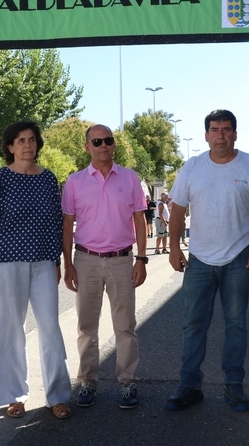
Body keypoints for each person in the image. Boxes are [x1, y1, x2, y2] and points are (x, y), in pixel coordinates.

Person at [166, 109, 249, 412]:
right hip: (199, 260)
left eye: (226, 129)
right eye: (215, 130)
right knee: (193, 324)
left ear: (235, 134)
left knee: (236, 325)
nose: (220, 135)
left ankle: (234, 386)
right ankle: (189, 385)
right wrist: (174, 247)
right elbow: (177, 209)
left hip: (239, 258)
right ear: (206, 135)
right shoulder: (193, 167)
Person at [0, 120, 71, 420]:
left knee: (51, 329)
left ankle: (57, 396)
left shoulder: (48, 180)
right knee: (11, 330)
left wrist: (57, 261)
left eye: (31, 140)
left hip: (44, 262)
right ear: (10, 147)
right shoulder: (0, 180)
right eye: (20, 140)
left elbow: (56, 223)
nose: (27, 145)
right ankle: (14, 396)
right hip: (8, 262)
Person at [62, 124, 148, 410]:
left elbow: (139, 220)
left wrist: (141, 259)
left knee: (125, 326)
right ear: (87, 146)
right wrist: (68, 264)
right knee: (86, 326)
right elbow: (66, 225)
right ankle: (87, 382)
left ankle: (128, 383)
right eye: (96, 141)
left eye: (108, 140)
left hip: (123, 261)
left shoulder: (130, 178)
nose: (103, 145)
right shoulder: (74, 182)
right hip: (85, 260)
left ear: (114, 145)